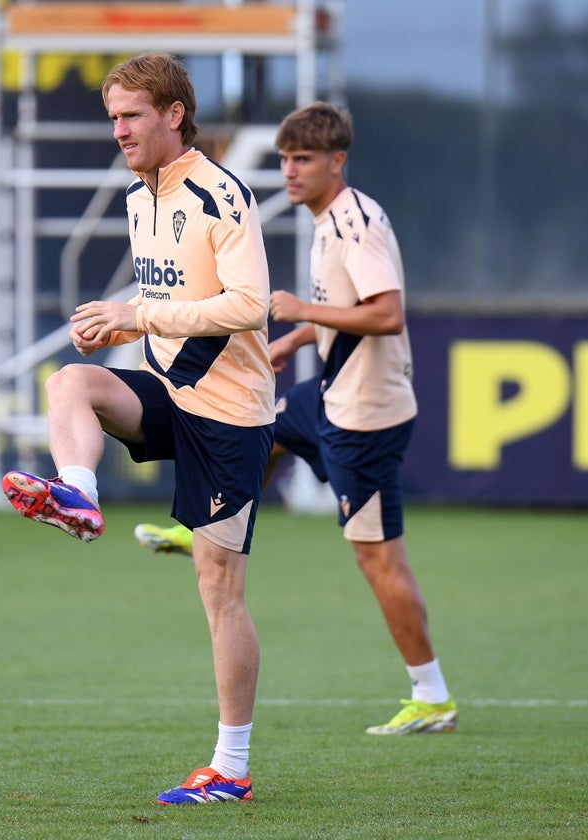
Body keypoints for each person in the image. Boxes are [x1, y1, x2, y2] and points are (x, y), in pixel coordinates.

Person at [1, 53, 275, 804]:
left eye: (130, 116)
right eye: (113, 116)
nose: (117, 130)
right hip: (167, 391)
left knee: (219, 589)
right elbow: (165, 296)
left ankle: (233, 769)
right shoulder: (135, 194)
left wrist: (138, 315)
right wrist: (116, 329)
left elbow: (250, 305)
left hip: (230, 413)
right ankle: (79, 493)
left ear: (173, 114)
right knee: (69, 383)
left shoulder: (222, 193)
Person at [134, 102, 457, 736]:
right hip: (333, 392)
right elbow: (346, 307)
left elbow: (386, 313)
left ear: (338, 161)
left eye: (303, 159)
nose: (289, 170)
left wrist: (300, 310)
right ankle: (207, 526)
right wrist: (294, 340)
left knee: (377, 559)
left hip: (365, 418)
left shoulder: (355, 223)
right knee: (262, 426)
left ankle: (432, 693)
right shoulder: (326, 215)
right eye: (284, 159)